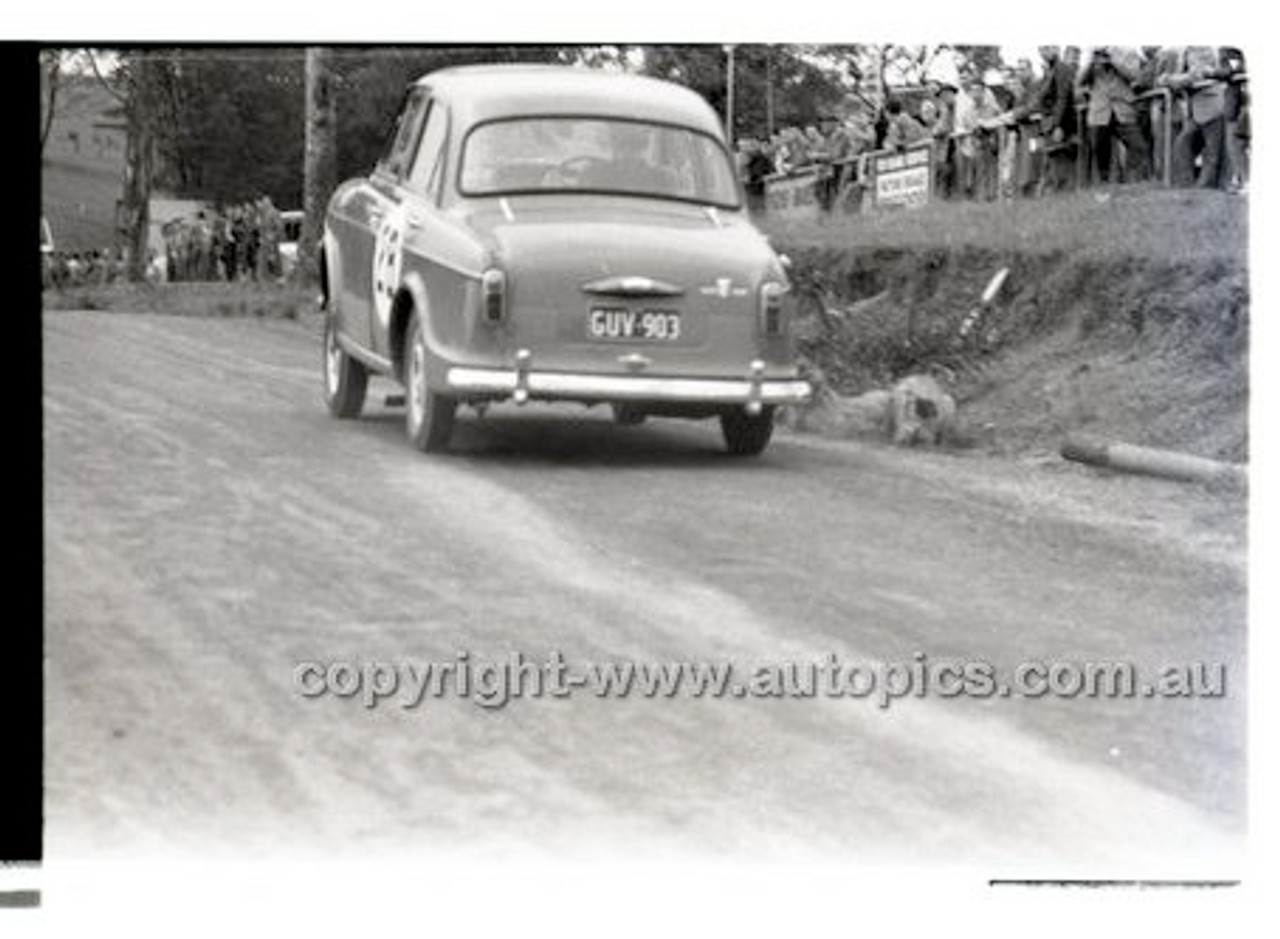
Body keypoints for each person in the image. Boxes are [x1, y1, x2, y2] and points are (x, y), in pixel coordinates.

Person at [1078, 46, 1149, 184]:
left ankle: (1133, 179)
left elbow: (1135, 76)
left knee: (1137, 145)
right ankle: (1104, 181)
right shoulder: (1092, 59)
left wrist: (1113, 60)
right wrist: (1092, 61)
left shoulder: (1129, 52)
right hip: (1100, 113)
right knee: (1100, 149)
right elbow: (1080, 81)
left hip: (1122, 110)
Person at [1160, 46, 1228, 189]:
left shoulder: (1205, 48)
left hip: (1212, 106)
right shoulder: (1186, 51)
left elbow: (1193, 76)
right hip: (1196, 109)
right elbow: (1186, 77)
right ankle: (1186, 184)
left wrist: (1168, 79)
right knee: (1182, 143)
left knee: (1212, 151)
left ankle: (1204, 187)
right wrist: (1172, 79)